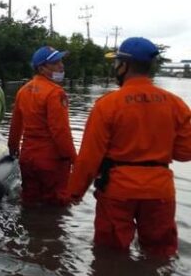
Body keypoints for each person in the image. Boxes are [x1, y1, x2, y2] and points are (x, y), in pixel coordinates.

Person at [68, 37, 191, 256]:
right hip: (160, 189)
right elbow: (185, 152)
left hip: (118, 190)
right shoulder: (175, 104)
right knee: (160, 254)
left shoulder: (107, 105)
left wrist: (75, 192)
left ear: (124, 66)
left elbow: (90, 157)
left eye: (116, 63)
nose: (115, 68)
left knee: (110, 255)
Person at [8, 46, 77, 205]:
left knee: (29, 203)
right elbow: (60, 132)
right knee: (56, 207)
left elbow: (15, 126)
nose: (62, 65)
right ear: (42, 68)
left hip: (28, 158)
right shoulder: (55, 93)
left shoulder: (23, 90)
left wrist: (13, 148)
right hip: (51, 160)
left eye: (61, 61)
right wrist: (75, 160)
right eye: (55, 62)